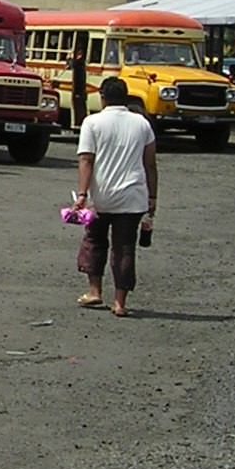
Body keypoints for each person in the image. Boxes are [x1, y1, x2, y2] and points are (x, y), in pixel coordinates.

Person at [73, 76, 157, 317]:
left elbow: (86, 159)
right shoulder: (142, 124)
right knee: (124, 248)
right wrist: (153, 197)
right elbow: (150, 164)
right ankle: (120, 303)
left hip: (101, 196)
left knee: (94, 240)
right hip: (133, 196)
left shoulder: (92, 122)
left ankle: (94, 291)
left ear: (103, 97)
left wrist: (82, 194)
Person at [70, 44, 89, 130]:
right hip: (80, 88)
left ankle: (79, 121)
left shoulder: (79, 63)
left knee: (80, 106)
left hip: (79, 88)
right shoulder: (81, 62)